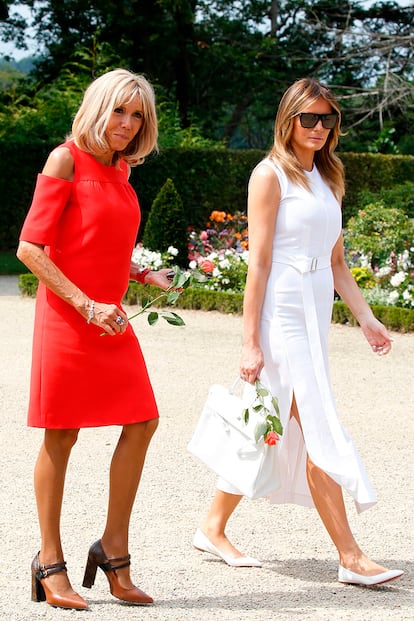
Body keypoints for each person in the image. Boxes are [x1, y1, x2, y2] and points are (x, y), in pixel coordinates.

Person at [192, 78, 404, 586]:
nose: (318, 128)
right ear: (288, 120)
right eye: (308, 118)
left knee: (271, 425)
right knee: (315, 426)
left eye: (327, 118)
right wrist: (249, 341)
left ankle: (212, 526)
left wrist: (368, 318)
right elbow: (258, 264)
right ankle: (350, 556)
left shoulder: (330, 176)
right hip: (281, 315)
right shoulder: (269, 176)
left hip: (314, 314)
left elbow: (337, 262)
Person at [17, 68, 173, 610]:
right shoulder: (64, 159)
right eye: (119, 111)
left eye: (138, 115)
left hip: (110, 319)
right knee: (62, 436)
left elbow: (93, 243)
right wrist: (83, 303)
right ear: (97, 107)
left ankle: (113, 548)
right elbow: (31, 247)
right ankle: (49, 560)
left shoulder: (123, 170)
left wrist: (140, 274)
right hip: (69, 317)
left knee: (143, 420)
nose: (127, 124)